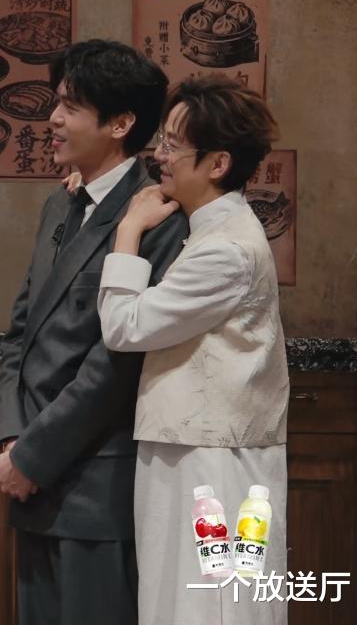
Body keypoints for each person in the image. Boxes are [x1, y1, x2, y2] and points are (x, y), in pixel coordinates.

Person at [0, 39, 188, 625]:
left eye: (70, 107)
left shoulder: (157, 215)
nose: (52, 119)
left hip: (98, 487)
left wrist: (34, 454)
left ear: (120, 124)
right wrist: (8, 439)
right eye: (56, 103)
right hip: (30, 477)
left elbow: (117, 364)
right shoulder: (60, 204)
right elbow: (20, 333)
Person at [97, 74, 287, 625]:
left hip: (213, 459)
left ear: (218, 163)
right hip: (192, 448)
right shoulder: (209, 228)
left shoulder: (226, 249)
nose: (160, 154)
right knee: (183, 603)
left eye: (173, 144)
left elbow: (125, 326)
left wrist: (129, 231)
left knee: (211, 606)